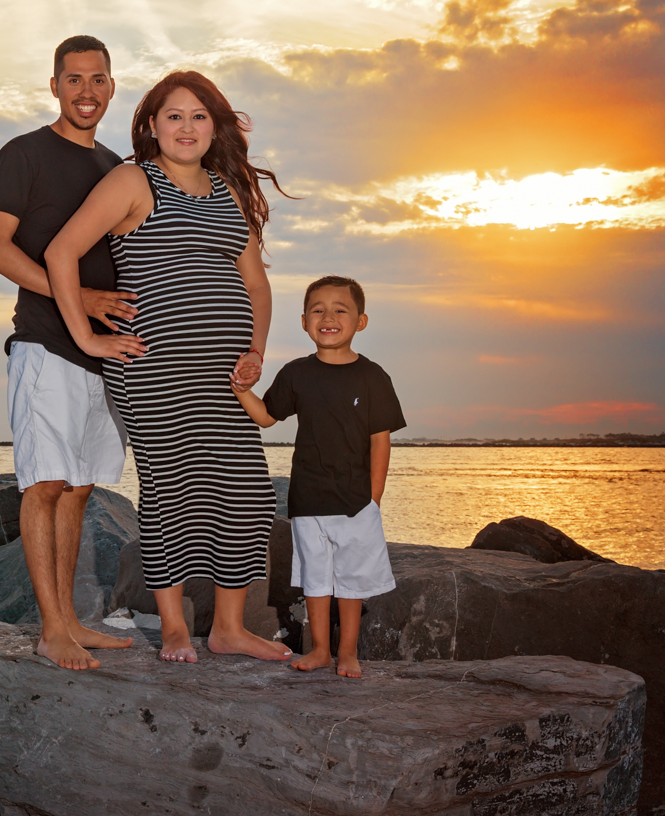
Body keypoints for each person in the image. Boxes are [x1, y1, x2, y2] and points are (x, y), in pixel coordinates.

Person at [45, 70, 292, 664]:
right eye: (174, 115)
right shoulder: (133, 181)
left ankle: (229, 628)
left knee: (246, 493)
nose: (187, 126)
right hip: (154, 372)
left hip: (222, 376)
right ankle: (177, 627)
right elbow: (60, 252)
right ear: (152, 125)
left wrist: (255, 350)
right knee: (172, 490)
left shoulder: (229, 191)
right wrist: (89, 336)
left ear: (216, 127)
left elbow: (256, 286)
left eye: (199, 116)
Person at [0, 35, 142, 671]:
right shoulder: (24, 153)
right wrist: (84, 296)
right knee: (45, 484)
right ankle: (51, 630)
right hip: (46, 345)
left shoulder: (114, 167)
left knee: (79, 489)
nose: (86, 92)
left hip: (108, 355)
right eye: (74, 80)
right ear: (55, 86)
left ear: (111, 86)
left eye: (98, 80)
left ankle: (73, 620)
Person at [232, 275, 405, 677]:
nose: (328, 317)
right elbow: (267, 418)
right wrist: (242, 390)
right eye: (317, 310)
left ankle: (348, 651)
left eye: (340, 310)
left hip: (356, 502)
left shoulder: (373, 377)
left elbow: (381, 442)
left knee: (351, 582)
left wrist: (373, 498)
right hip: (308, 499)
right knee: (316, 579)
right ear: (305, 322)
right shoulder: (296, 374)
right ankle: (320, 650)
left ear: (360, 321)